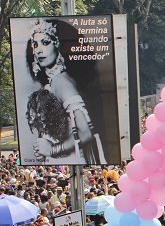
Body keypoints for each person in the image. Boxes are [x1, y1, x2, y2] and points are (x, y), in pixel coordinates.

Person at [24, 18, 106, 164]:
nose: (39, 50)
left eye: (45, 42)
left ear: (57, 45)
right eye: (35, 44)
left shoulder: (63, 82)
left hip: (72, 159)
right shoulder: (54, 81)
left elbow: (86, 133)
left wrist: (51, 150)